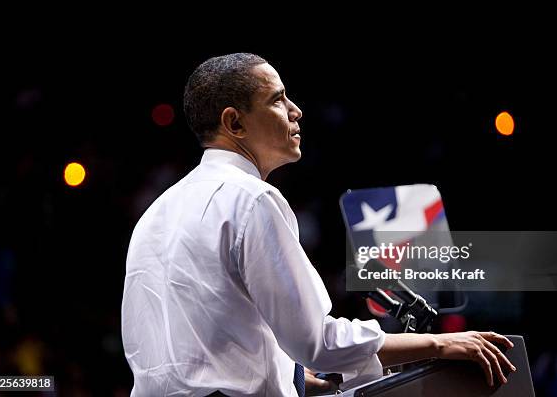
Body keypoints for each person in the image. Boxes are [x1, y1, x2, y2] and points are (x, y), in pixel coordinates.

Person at [121, 53, 516, 396]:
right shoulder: (252, 199)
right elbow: (318, 342)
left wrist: (288, 377)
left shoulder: (155, 213)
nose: (296, 110)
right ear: (235, 123)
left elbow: (191, 352)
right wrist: (438, 343)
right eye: (278, 99)